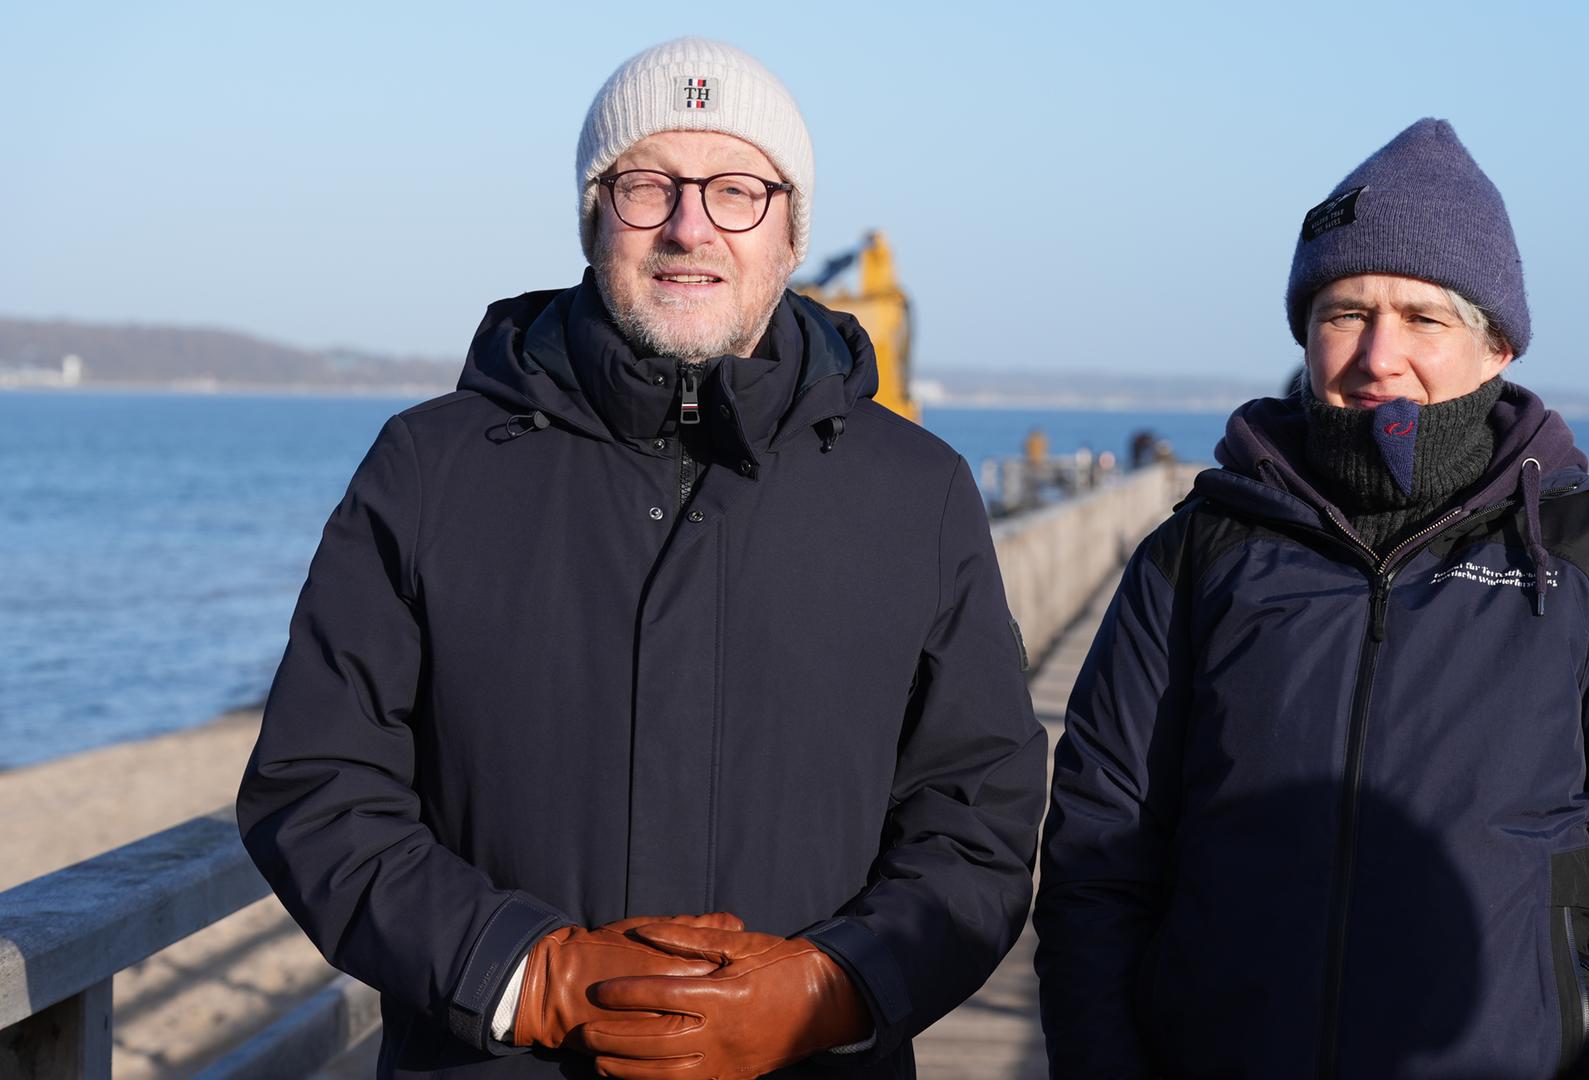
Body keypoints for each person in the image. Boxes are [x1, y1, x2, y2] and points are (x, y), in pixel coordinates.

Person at [237, 37, 1045, 1080]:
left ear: (792, 231)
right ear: (591, 217)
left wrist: (834, 989)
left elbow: (978, 816)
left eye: (737, 190)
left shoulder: (918, 493)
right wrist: (528, 973)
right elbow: (317, 784)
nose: (689, 225)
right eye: (645, 185)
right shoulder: (430, 469)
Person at [1032, 119, 1589, 1078]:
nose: (1379, 355)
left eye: (1424, 318)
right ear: (1304, 331)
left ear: (1497, 344)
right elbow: (1096, 864)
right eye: (1345, 312)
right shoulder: (1198, 556)